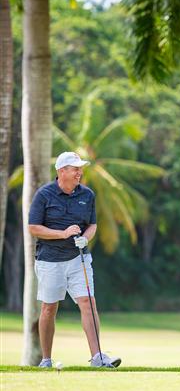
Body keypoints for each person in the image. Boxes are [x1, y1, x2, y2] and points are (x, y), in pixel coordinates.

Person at [29, 152, 121, 368]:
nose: (80, 172)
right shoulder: (44, 195)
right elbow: (33, 228)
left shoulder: (87, 195)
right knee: (49, 308)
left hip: (78, 258)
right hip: (49, 260)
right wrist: (62, 234)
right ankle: (46, 359)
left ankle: (97, 357)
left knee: (88, 302)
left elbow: (92, 225)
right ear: (62, 171)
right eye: (75, 168)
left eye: (81, 168)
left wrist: (85, 239)